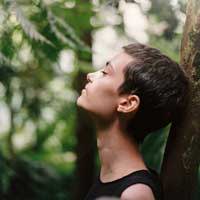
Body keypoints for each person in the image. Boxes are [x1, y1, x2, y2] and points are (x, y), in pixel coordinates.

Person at [76, 43, 189, 200]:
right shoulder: (112, 177)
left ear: (127, 104)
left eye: (105, 73)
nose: (90, 75)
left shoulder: (135, 194)